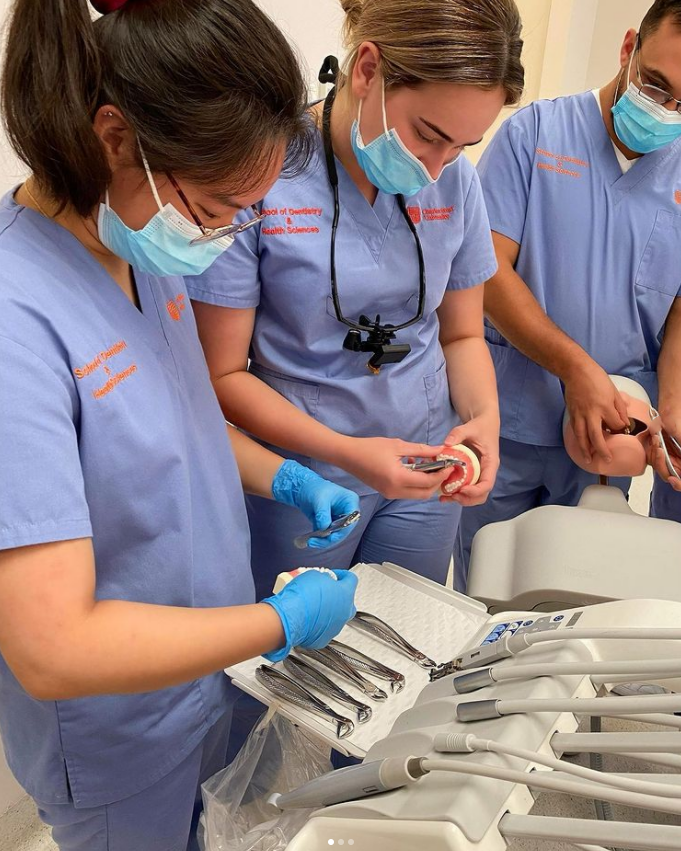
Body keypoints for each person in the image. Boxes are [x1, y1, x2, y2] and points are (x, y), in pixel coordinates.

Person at [0, 1, 360, 849]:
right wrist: (282, 624)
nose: (225, 240)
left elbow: (183, 429)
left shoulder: (141, 247)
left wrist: (286, 476)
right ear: (116, 137)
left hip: (205, 679)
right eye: (214, 208)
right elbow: (52, 647)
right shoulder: (18, 318)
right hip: (118, 732)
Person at [187, 0, 525, 598]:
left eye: (462, 145)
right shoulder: (266, 171)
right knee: (289, 667)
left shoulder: (455, 179)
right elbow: (220, 375)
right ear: (367, 69)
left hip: (428, 465)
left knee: (401, 645)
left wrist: (483, 419)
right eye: (428, 134)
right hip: (302, 477)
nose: (435, 167)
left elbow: (462, 334)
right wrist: (347, 453)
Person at [456, 0, 681, 591]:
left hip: (612, 434)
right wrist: (575, 367)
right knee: (488, 600)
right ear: (629, 46)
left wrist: (670, 405)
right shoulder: (534, 134)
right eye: (656, 86)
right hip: (510, 419)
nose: (666, 110)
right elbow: (486, 272)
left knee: (576, 611)